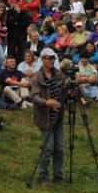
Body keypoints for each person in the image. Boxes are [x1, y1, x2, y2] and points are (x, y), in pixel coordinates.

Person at [30, 48, 66, 185]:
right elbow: (34, 96)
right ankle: (43, 176)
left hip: (58, 116)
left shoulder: (58, 74)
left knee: (59, 148)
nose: (51, 61)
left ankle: (58, 176)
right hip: (45, 117)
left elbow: (65, 88)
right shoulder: (36, 77)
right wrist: (46, 102)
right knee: (48, 148)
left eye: (53, 58)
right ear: (42, 59)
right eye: (49, 58)